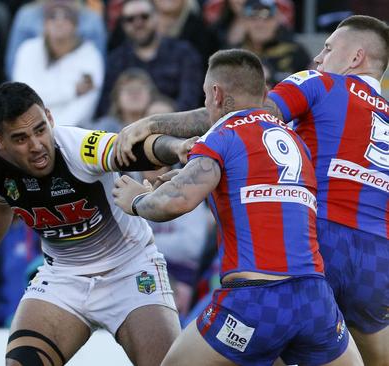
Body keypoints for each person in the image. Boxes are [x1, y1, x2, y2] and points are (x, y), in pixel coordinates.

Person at [114, 15, 389, 365]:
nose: (319, 57)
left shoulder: (321, 83)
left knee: (267, 336)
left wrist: (150, 123)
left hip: (313, 242)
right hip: (379, 256)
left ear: (355, 58)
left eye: (329, 48)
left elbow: (249, 114)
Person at [0, 81, 195, 366]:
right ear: (0, 140)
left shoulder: (79, 146)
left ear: (50, 117)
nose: (36, 146)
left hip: (129, 268)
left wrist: (177, 147)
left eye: (41, 130)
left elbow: (134, 148)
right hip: (64, 277)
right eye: (20, 138)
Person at [95, 0, 203, 117]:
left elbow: (191, 100)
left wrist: (169, 112)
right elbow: (105, 105)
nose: (138, 23)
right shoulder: (115, 60)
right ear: (123, 24)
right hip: (125, 128)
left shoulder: (184, 53)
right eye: (130, 19)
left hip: (173, 126)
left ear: (157, 17)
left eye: (144, 17)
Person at [11, 0, 104, 127]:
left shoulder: (91, 55)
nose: (59, 22)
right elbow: (24, 95)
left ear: (76, 26)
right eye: (53, 17)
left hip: (74, 131)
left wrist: (55, 129)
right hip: (29, 126)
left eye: (67, 17)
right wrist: (72, 90)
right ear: (44, 24)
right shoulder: (28, 49)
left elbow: (84, 108)